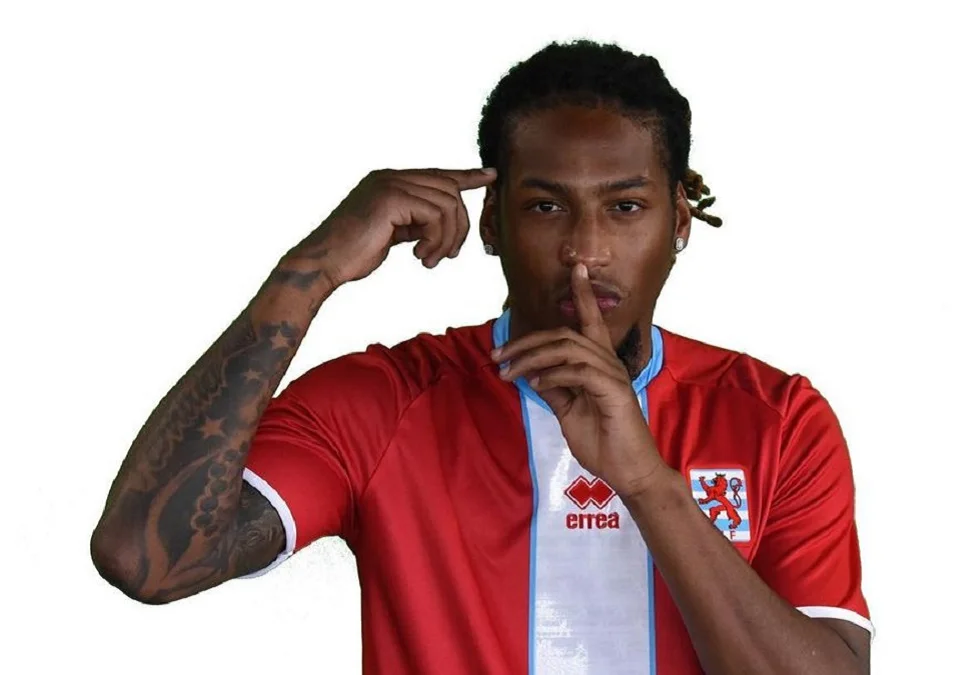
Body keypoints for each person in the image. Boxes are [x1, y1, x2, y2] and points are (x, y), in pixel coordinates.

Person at [90, 40, 873, 674]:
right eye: (545, 205)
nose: (585, 250)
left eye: (626, 206)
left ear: (679, 222)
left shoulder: (778, 419)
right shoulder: (386, 404)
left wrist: (644, 482)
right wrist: (310, 270)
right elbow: (141, 558)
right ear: (492, 222)